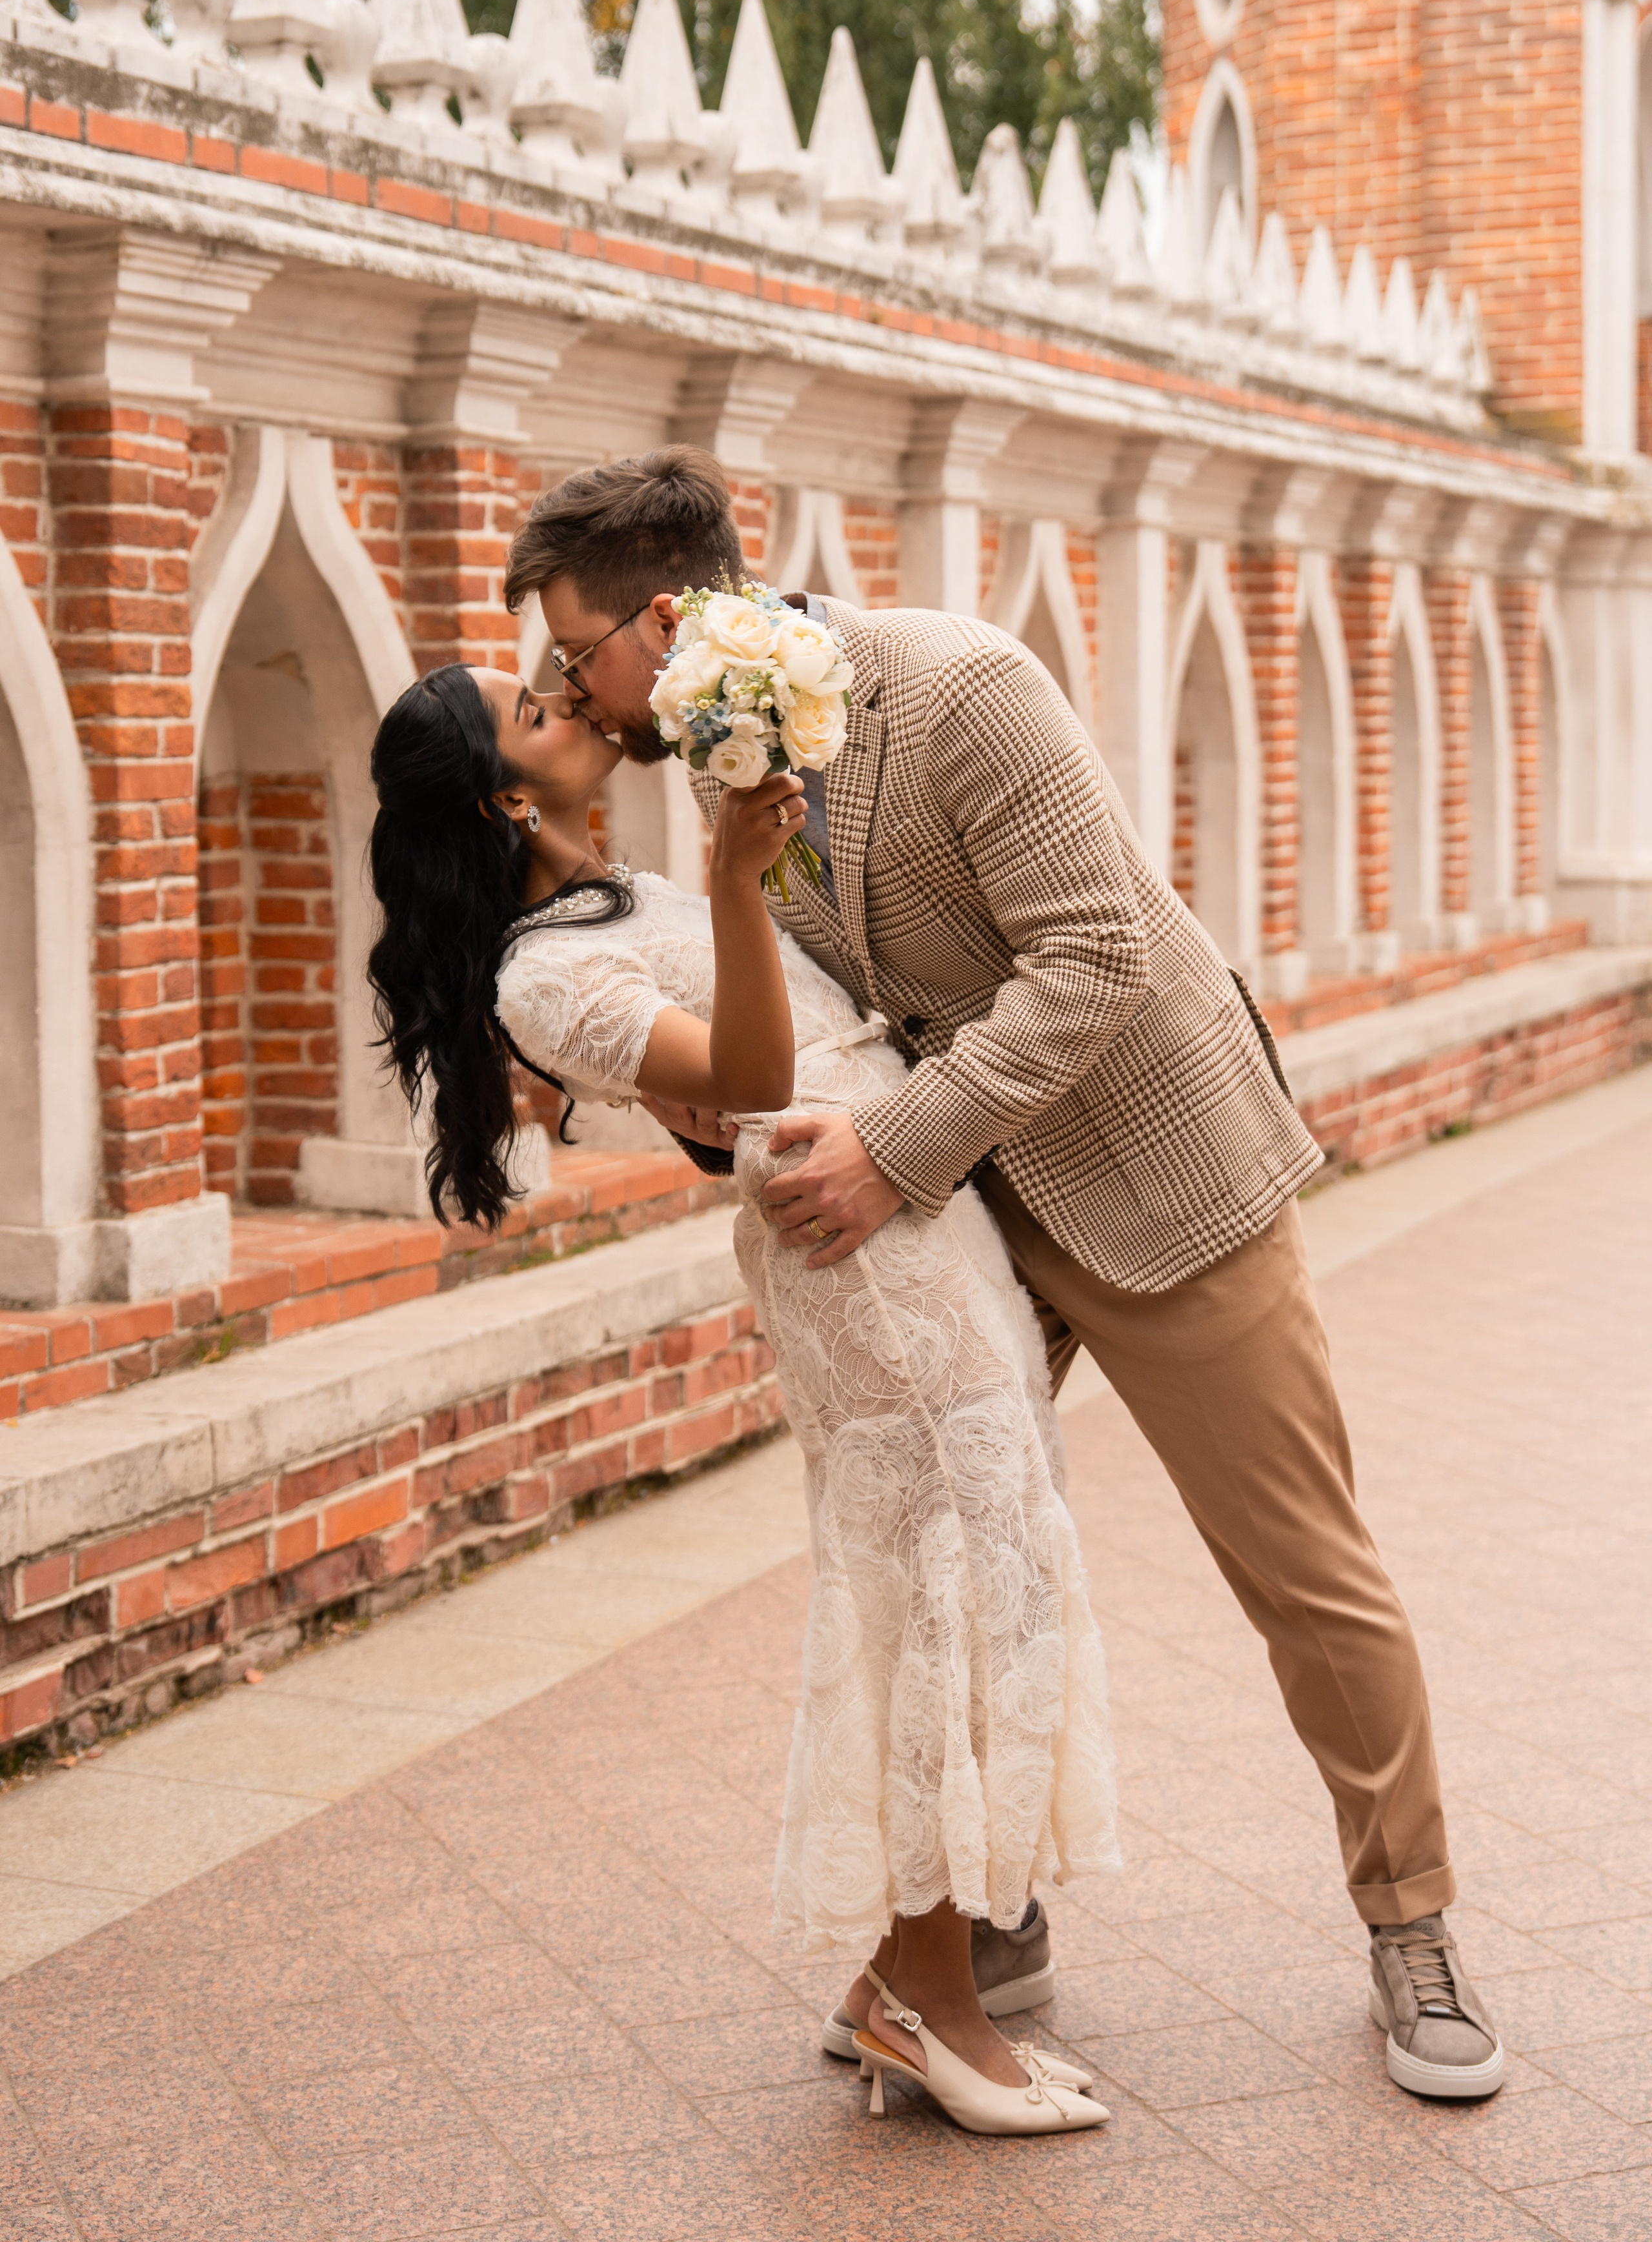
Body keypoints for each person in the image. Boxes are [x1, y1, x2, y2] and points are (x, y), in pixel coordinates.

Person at [498, 443, 1507, 2106]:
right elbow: (815, 1016)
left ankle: (1412, 1924)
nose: (567, 687)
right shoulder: (714, 753)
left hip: (1157, 1174)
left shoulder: (957, 683)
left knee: (1302, 1566)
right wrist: (707, 1117)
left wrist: (897, 1154)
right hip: (969, 1224)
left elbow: (1097, 951)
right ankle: (976, 1937)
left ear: (665, 619)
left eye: (577, 650)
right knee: (959, 1563)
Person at [366, 659, 1116, 2137]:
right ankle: (935, 2010)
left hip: (899, 1205)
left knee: (979, 1585)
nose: (573, 707)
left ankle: (901, 1990)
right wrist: (727, 880)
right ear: (506, 797)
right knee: (939, 1601)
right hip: (855, 1263)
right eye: (536, 713)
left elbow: (747, 1083)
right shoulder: (541, 973)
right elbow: (759, 1072)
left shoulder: (609, 902)